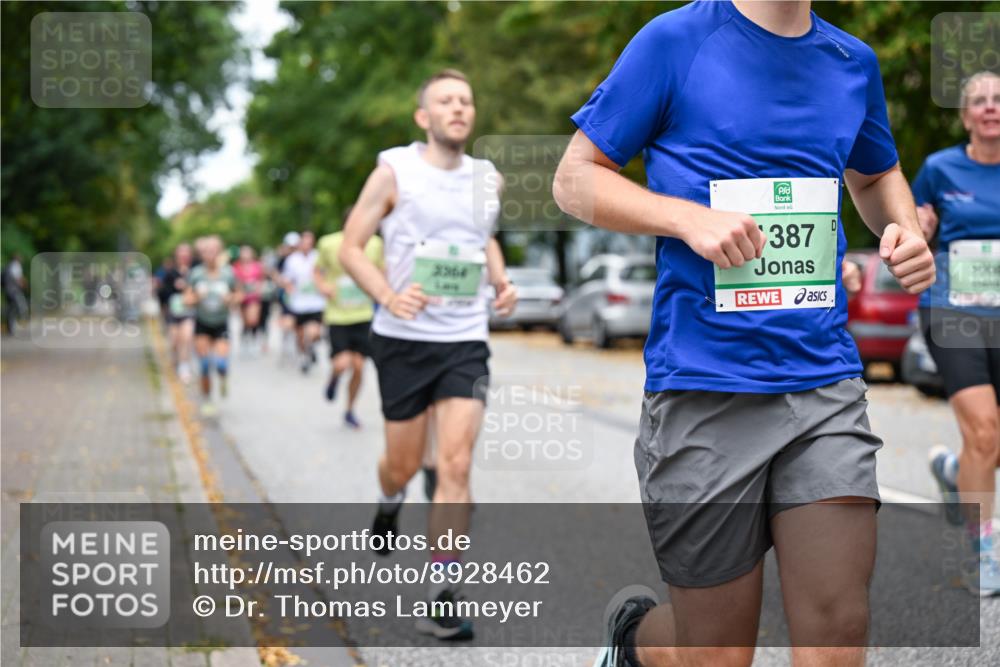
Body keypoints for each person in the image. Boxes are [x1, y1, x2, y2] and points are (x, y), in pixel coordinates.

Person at [552, 2, 935, 666]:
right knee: (716, 652)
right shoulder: (675, 41)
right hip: (704, 387)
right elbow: (572, 180)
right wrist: (685, 219)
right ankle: (634, 644)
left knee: (837, 634)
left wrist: (900, 227)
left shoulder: (852, 62)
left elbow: (874, 173)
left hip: (823, 384)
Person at [340, 69, 517, 640]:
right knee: (405, 463)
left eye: (466, 99)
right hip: (403, 340)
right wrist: (390, 294)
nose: (458, 108)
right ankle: (390, 499)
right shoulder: (394, 171)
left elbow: (481, 235)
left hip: (465, 339)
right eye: (445, 100)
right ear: (424, 116)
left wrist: (501, 280)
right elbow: (349, 248)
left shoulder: (488, 178)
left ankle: (443, 595)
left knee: (457, 465)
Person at [919, 71, 1000, 597]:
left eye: (999, 99)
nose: (991, 107)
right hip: (954, 310)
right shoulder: (938, 169)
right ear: (965, 115)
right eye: (979, 101)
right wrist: (917, 227)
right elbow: (907, 225)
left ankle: (953, 473)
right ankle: (984, 550)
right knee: (985, 432)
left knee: (986, 445)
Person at [315, 207, 384, 429]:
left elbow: (382, 272)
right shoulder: (328, 243)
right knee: (342, 363)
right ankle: (334, 377)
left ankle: (349, 410)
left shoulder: (375, 244)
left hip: (363, 313)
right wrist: (323, 286)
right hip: (337, 314)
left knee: (359, 367)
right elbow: (317, 271)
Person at [184, 236, 241, 416]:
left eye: (213, 251)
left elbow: (239, 294)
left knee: (221, 363)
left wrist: (231, 299)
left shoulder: (228, 273)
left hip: (221, 323)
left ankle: (223, 377)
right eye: (206, 251)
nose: (210, 255)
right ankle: (208, 400)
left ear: (219, 252)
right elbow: (186, 299)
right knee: (204, 364)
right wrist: (196, 298)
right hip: (202, 322)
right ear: (202, 254)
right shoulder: (196, 274)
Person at [281, 231, 325, 373]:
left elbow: (326, 275)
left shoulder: (318, 257)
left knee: (314, 333)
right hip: (298, 303)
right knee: (300, 335)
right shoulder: (292, 260)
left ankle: (310, 347)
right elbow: (287, 279)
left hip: (316, 303)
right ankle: (305, 357)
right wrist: (288, 287)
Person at [161, 243, 196, 383]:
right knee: (175, 341)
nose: (184, 256)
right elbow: (163, 294)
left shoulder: (195, 272)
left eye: (186, 253)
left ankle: (184, 366)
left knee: (186, 338)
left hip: (189, 312)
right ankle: (176, 361)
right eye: (181, 253)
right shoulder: (170, 273)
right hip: (173, 312)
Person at [233, 245, 267, 354]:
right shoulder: (237, 266)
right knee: (245, 321)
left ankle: (254, 340)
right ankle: (245, 339)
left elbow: (262, 279)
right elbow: (235, 282)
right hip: (242, 297)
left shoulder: (257, 266)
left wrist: (259, 288)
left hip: (254, 297)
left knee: (253, 319)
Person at [2, 253, 27, 335]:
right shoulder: (16, 266)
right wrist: (24, 284)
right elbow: (18, 278)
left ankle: (11, 327)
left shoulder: (8, 265)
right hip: (14, 291)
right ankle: (20, 322)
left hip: (7, 290)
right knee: (19, 306)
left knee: (11, 309)